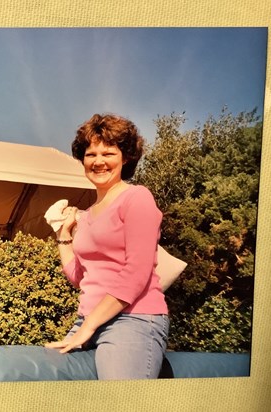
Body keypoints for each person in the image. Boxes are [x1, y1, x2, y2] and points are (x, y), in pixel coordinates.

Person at [45, 113, 169, 380]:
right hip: (88, 318)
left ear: (125, 158)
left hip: (133, 319)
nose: (98, 161)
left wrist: (88, 326)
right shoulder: (87, 215)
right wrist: (63, 235)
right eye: (91, 154)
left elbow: (135, 274)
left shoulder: (137, 199)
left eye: (108, 153)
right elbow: (80, 277)